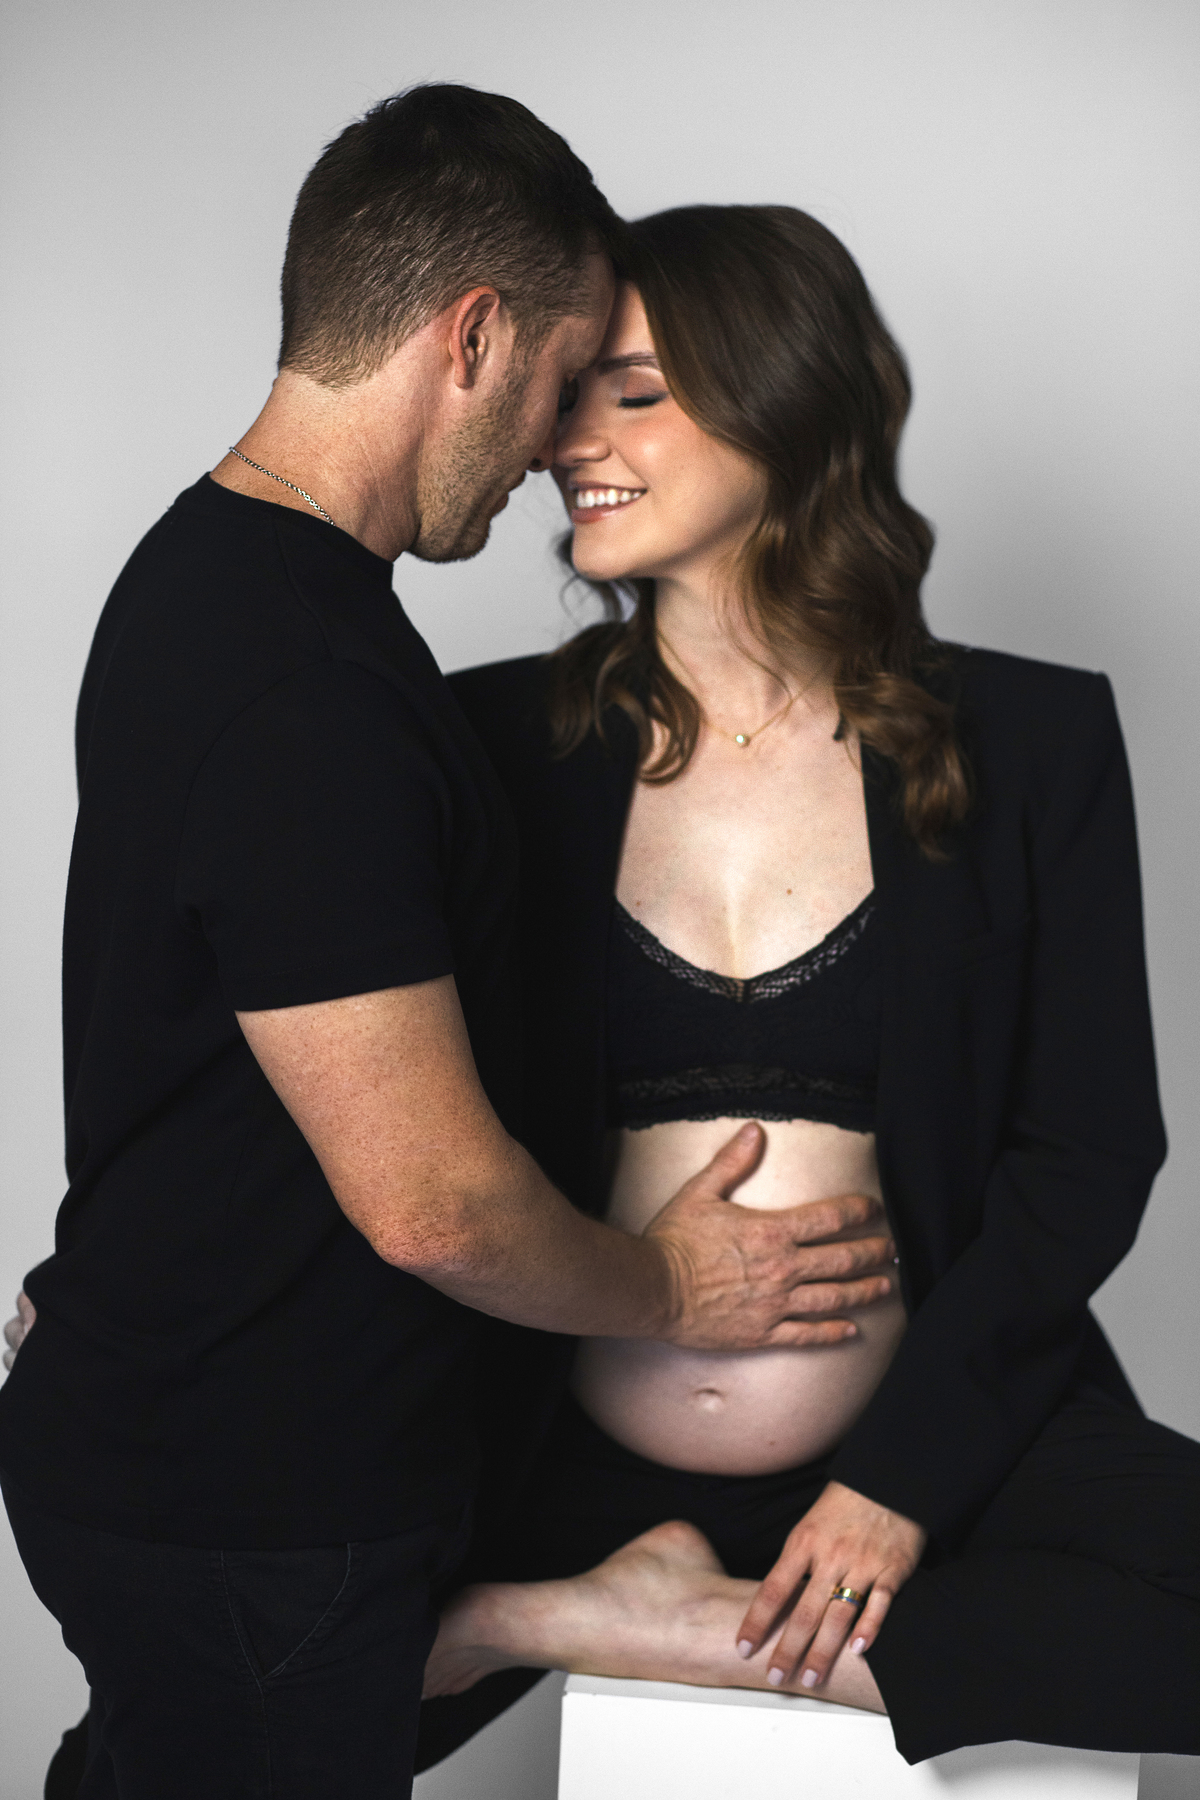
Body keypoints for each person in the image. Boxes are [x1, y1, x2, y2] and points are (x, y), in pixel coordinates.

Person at [0, 106, 897, 1800]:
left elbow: (200, 1039)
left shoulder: (203, 577)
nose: (558, 446)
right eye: (559, 382)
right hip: (251, 1511)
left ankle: (528, 1611)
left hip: (184, 1451)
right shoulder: (311, 691)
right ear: (470, 336)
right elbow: (431, 1204)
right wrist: (676, 1290)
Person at [411, 204, 1200, 1771]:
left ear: (783, 402)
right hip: (553, 1447)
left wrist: (900, 1482)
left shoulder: (1031, 745)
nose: (567, 441)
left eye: (634, 393)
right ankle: (566, 1605)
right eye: (568, 394)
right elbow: (343, 1065)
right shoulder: (482, 746)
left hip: (926, 1441)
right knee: (201, 1704)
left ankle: (681, 1630)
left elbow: (1090, 1149)